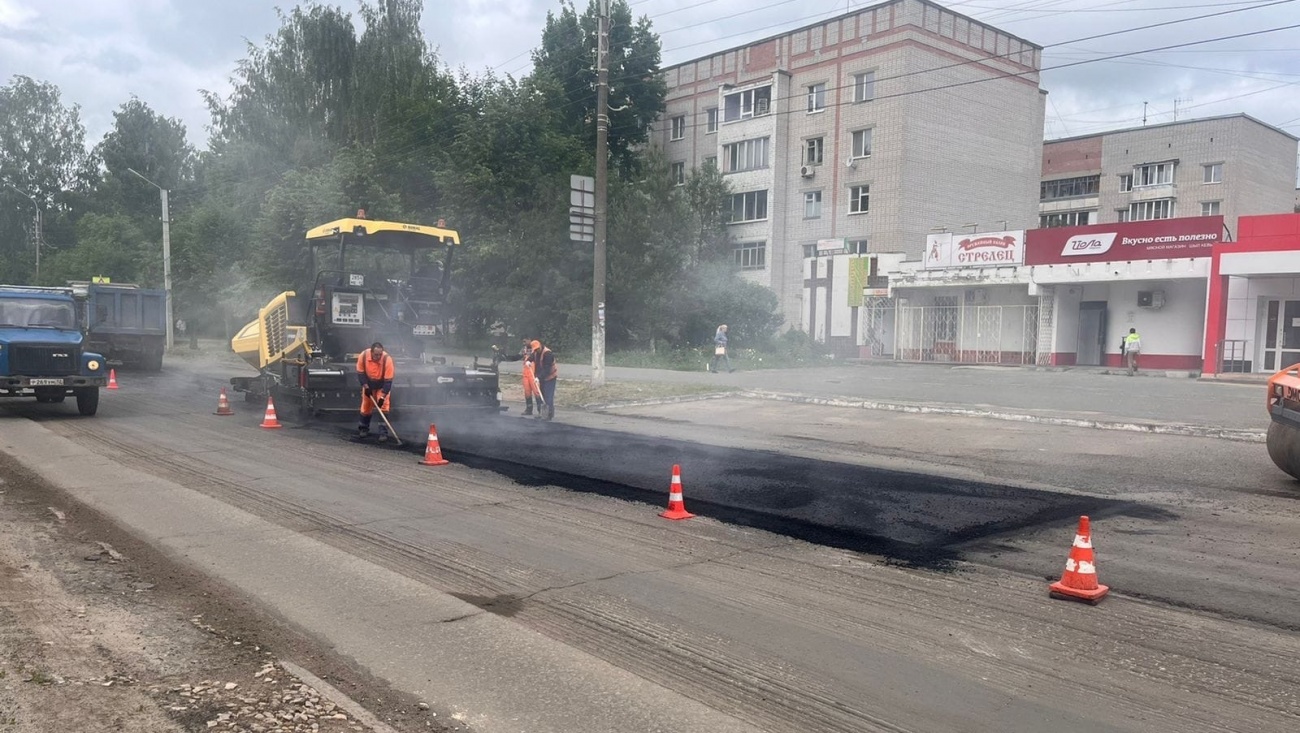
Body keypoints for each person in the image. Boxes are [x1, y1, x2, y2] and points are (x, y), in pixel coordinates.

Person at [356, 341, 395, 440]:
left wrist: (382, 397)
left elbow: (388, 381)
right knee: (366, 405)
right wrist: (366, 387)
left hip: (382, 385)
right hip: (368, 384)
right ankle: (363, 429)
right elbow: (360, 374)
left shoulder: (387, 360)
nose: (378, 357)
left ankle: (383, 433)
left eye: (380, 354)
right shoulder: (363, 356)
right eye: (376, 354)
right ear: (371, 352)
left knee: (384, 406)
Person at [493, 338, 542, 416]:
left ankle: (541, 410)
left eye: (525, 341)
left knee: (537, 391)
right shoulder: (524, 349)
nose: (523, 343)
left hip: (534, 372)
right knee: (527, 391)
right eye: (522, 342)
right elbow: (516, 357)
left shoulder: (535, 348)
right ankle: (529, 409)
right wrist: (506, 357)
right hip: (526, 373)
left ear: (529, 340)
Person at [530, 339, 558, 421]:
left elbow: (547, 369)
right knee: (540, 395)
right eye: (535, 349)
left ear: (541, 346)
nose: (537, 350)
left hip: (550, 378)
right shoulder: (535, 352)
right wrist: (528, 361)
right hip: (541, 378)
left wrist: (538, 377)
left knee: (548, 397)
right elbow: (531, 358)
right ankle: (542, 413)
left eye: (537, 349)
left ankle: (549, 415)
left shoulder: (548, 354)